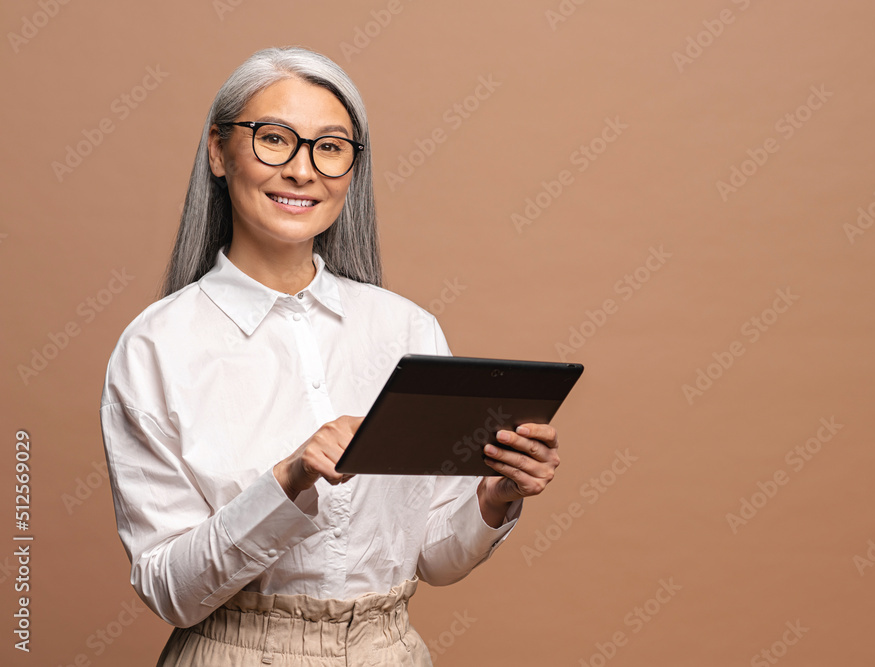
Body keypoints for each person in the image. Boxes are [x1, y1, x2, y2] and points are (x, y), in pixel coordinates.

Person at [99, 46, 561, 666]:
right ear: (217, 150)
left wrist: (494, 497)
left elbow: (434, 558)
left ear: (352, 168)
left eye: (330, 146)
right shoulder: (156, 347)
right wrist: (288, 481)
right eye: (274, 139)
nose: (301, 170)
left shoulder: (407, 329)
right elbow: (172, 594)